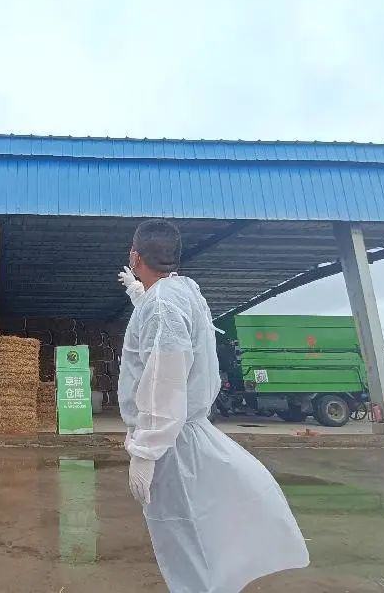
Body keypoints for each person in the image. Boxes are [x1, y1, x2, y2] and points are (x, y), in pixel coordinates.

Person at [116, 219, 309, 592]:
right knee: (200, 527)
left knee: (183, 535)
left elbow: (164, 379)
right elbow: (174, 330)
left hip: (171, 442)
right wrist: (141, 295)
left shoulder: (163, 304)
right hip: (185, 433)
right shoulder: (184, 291)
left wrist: (145, 450)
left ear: (135, 257)